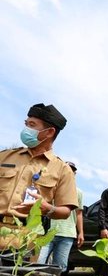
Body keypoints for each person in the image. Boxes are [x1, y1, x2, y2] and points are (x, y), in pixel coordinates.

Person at [0, 104, 78, 250]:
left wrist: (46, 208)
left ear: (49, 132)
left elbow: (65, 211)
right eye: (26, 124)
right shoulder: (4, 157)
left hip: (25, 241)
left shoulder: (63, 170)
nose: (26, 129)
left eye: (32, 125)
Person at [37, 162, 84, 272]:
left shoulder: (79, 192)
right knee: (38, 262)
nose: (69, 172)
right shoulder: (51, 189)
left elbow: (79, 213)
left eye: (71, 170)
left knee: (60, 267)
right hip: (48, 233)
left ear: (74, 174)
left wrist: (81, 232)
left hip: (67, 234)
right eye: (66, 169)